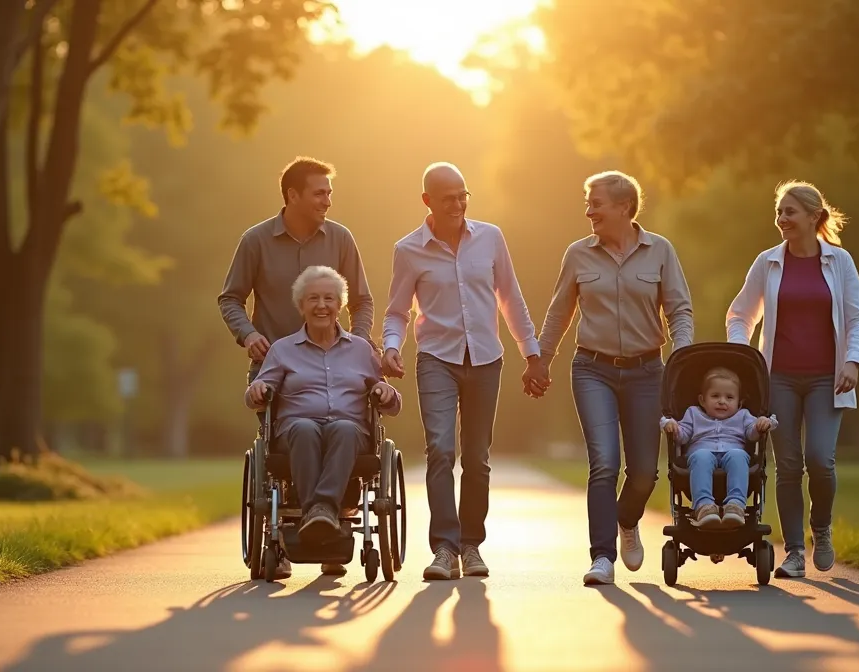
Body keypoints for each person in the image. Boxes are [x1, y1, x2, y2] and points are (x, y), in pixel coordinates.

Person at [533, 170, 694, 586]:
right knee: (604, 462)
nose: (589, 211)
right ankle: (602, 556)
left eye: (596, 203)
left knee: (644, 472)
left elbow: (679, 310)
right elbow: (558, 311)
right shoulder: (578, 254)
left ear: (624, 207)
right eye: (588, 204)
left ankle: (626, 519)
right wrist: (541, 358)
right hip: (592, 369)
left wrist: (682, 357)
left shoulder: (660, 251)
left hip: (646, 372)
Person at [381, 162, 541, 581]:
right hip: (436, 356)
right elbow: (397, 311)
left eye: (462, 195)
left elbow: (511, 297)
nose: (457, 204)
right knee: (440, 450)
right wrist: (392, 347)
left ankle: (471, 546)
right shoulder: (408, 250)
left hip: (486, 358)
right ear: (427, 201)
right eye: (448, 197)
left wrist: (533, 353)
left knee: (476, 457)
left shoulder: (490, 238)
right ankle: (444, 549)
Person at [220, 156, 375, 579]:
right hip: (276, 367)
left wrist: (357, 346)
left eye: (329, 192)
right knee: (288, 443)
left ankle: (329, 528)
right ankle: (289, 537)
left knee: (342, 429)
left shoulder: (341, 238)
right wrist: (248, 335)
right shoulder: (256, 241)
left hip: (338, 362)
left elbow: (362, 300)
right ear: (293, 196)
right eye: (319, 192)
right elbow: (230, 298)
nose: (328, 199)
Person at [726, 180, 859, 579]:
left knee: (820, 461)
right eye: (779, 212)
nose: (782, 219)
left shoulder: (839, 262)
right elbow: (740, 315)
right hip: (780, 380)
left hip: (828, 379)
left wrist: (853, 362)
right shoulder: (768, 262)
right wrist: (745, 356)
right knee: (788, 466)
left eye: (790, 212)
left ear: (813, 217)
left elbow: (858, 317)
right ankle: (793, 551)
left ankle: (820, 530)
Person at [245, 267, 402, 566]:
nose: (321, 305)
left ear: (340, 305)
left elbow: (393, 406)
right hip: (296, 431)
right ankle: (319, 511)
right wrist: (258, 388)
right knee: (304, 428)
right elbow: (255, 395)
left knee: (343, 428)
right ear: (301, 305)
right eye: (313, 298)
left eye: (329, 298)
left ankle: (321, 511)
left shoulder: (361, 350)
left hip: (350, 433)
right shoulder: (282, 350)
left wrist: (385, 390)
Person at [661, 367, 777, 528]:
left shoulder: (743, 415)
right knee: (701, 456)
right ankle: (704, 506)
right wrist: (673, 427)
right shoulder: (693, 413)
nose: (722, 401)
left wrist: (760, 425)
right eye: (715, 396)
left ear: (739, 402)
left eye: (729, 397)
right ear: (702, 400)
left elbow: (752, 434)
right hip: (701, 452)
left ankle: (736, 505)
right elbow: (683, 435)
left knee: (738, 455)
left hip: (733, 451)